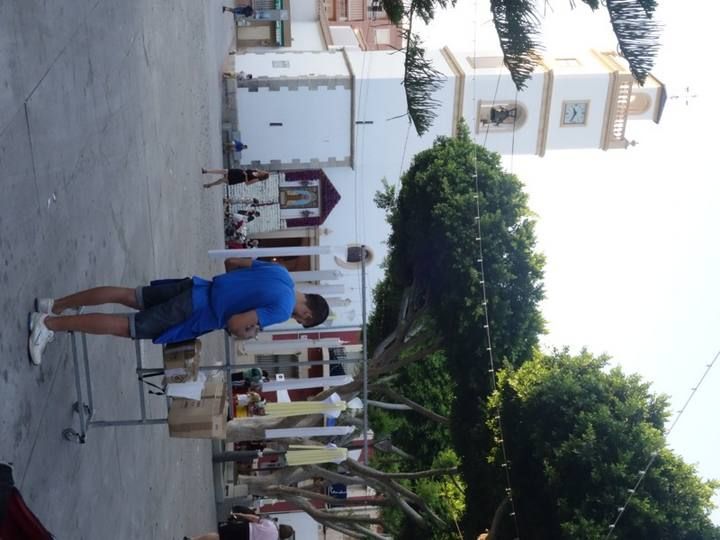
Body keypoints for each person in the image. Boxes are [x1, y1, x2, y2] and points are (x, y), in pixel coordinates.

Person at [28, 258, 329, 365]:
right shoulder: (280, 309)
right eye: (302, 322)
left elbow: (234, 263)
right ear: (307, 316)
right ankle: (50, 324)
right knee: (126, 326)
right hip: (196, 311)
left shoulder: (282, 273)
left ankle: (55, 304)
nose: (296, 321)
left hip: (196, 286)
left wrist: (233, 291)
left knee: (128, 295)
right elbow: (236, 323)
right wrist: (245, 332)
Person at [186, 510, 294, 540]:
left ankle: (193, 539)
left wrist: (241, 514)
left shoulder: (271, 524)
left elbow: (253, 518)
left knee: (220, 536)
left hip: (245, 528)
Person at [202, 168, 270, 189]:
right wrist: (257, 170)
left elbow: (247, 183)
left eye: (264, 172)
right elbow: (249, 169)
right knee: (224, 171)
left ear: (263, 175)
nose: (263, 171)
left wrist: (246, 175)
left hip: (239, 178)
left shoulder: (257, 179)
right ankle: (206, 171)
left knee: (222, 180)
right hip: (238, 172)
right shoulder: (256, 170)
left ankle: (210, 185)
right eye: (264, 171)